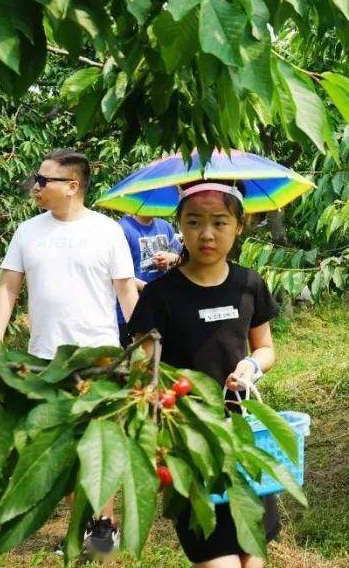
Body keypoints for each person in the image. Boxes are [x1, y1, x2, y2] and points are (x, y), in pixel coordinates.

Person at [0, 148, 138, 556]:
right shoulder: (27, 232)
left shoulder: (107, 232)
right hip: (44, 359)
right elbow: (7, 287)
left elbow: (126, 290)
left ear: (72, 186)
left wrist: (143, 344)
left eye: (43, 180)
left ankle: (103, 526)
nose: (34, 187)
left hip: (98, 357)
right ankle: (84, 523)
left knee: (98, 442)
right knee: (61, 444)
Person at [125, 180, 282, 568]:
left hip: (243, 433)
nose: (206, 234)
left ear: (239, 225)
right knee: (217, 556)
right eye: (194, 222)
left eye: (219, 222)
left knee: (253, 553)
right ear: (179, 224)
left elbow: (266, 348)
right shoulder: (160, 296)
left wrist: (250, 366)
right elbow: (142, 365)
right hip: (187, 440)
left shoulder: (248, 284)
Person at [115, 212, 180, 341]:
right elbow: (118, 275)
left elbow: (183, 259)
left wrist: (170, 259)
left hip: (162, 309)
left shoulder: (165, 226)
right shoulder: (123, 228)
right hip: (130, 312)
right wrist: (151, 289)